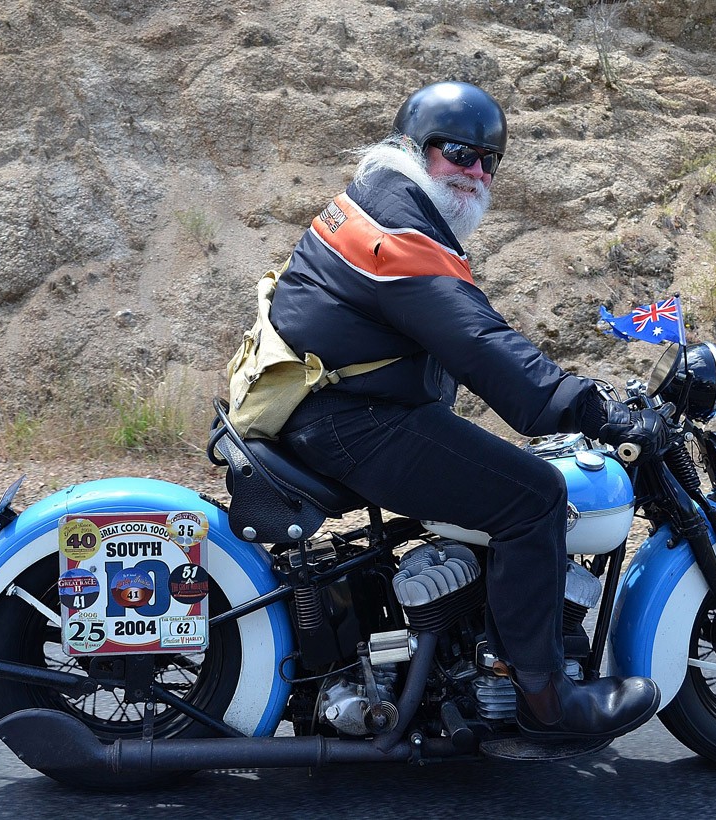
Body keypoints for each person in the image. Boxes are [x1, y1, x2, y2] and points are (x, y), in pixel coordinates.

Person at [270, 81, 665, 742]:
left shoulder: (389, 204)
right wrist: (594, 410)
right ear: (414, 148)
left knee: (492, 472)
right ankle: (548, 702)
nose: (476, 172)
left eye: (488, 161)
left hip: (343, 408)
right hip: (351, 420)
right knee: (534, 495)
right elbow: (482, 345)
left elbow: (470, 331)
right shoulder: (396, 225)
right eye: (457, 152)